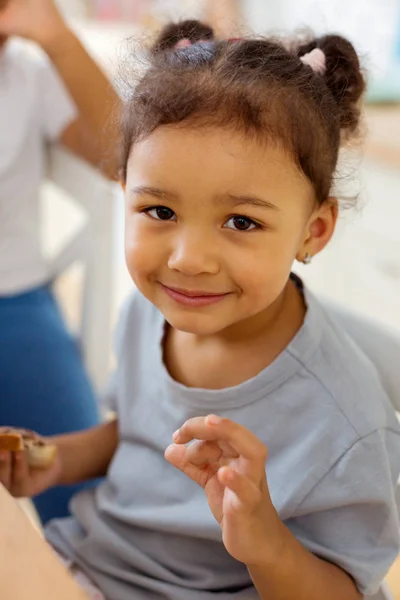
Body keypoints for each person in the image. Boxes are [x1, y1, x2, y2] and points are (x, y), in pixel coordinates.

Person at [1, 18, 400, 600]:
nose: (188, 260)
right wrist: (56, 460)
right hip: (94, 566)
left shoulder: (347, 420)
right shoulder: (151, 313)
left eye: (241, 222)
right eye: (159, 212)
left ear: (313, 232)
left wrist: (263, 539)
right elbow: (138, 435)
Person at [0, 0, 120, 525]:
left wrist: (57, 37)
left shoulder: (27, 75)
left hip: (16, 302)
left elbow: (123, 157)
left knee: (83, 501)